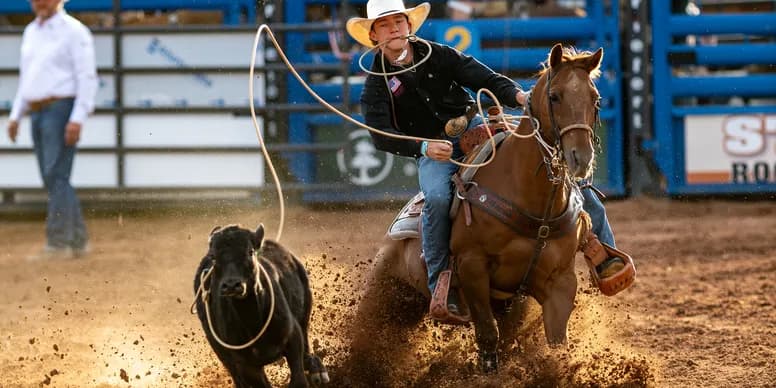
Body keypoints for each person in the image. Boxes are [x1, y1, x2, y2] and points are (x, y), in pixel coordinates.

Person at [347, 0, 625, 320]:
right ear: (373, 35)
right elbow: (380, 134)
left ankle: (602, 254)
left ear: (409, 27)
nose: (394, 28)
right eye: (384, 24)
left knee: (553, 165)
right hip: (435, 152)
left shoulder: (439, 54)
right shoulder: (375, 85)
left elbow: (483, 77)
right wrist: (424, 148)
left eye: (399, 21)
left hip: (477, 129)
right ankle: (442, 283)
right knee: (437, 199)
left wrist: (517, 96)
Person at [6, 0, 98, 260]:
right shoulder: (32, 31)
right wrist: (16, 115)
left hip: (60, 108)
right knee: (54, 176)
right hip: (38, 109)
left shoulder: (74, 31)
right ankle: (77, 240)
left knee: (55, 174)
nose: (39, 3)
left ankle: (59, 242)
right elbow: (28, 78)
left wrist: (77, 118)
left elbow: (86, 77)